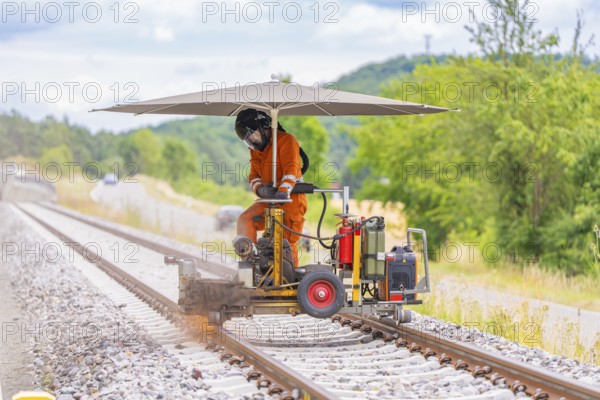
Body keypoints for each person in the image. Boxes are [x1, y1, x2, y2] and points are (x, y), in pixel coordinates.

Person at [232, 108, 307, 267]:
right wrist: (260, 190)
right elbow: (253, 177)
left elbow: (291, 170)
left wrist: (283, 191)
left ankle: (290, 282)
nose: (252, 141)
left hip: (291, 200)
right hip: (269, 200)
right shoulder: (257, 149)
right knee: (246, 220)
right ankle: (250, 266)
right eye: (248, 139)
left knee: (285, 243)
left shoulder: (286, 140)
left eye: (253, 135)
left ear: (264, 126)